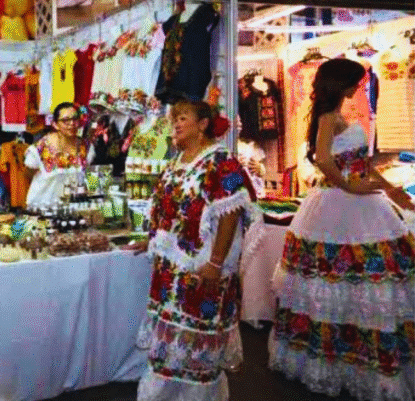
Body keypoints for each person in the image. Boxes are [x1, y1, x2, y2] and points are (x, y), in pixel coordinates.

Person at [269, 58, 415, 400]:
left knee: (368, 273)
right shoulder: (328, 118)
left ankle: (362, 356)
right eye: (355, 82)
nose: (358, 88)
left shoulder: (340, 114)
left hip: (357, 197)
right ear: (340, 83)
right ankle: (339, 355)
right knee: (340, 272)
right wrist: (349, 187)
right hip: (337, 202)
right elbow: (323, 160)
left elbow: (360, 163)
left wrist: (389, 188)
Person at [132, 100, 258, 401]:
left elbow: (231, 213)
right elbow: (170, 211)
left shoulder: (219, 160)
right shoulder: (179, 160)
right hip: (172, 271)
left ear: (202, 124)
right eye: (173, 119)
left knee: (197, 339)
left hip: (201, 269)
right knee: (171, 343)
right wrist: (151, 240)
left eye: (182, 118)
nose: (175, 124)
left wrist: (215, 263)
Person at [24, 102, 95, 210]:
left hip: (73, 210)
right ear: (55, 124)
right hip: (42, 208)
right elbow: (28, 173)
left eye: (75, 119)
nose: (72, 124)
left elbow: (88, 177)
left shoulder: (86, 147)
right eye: (65, 120)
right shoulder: (41, 148)